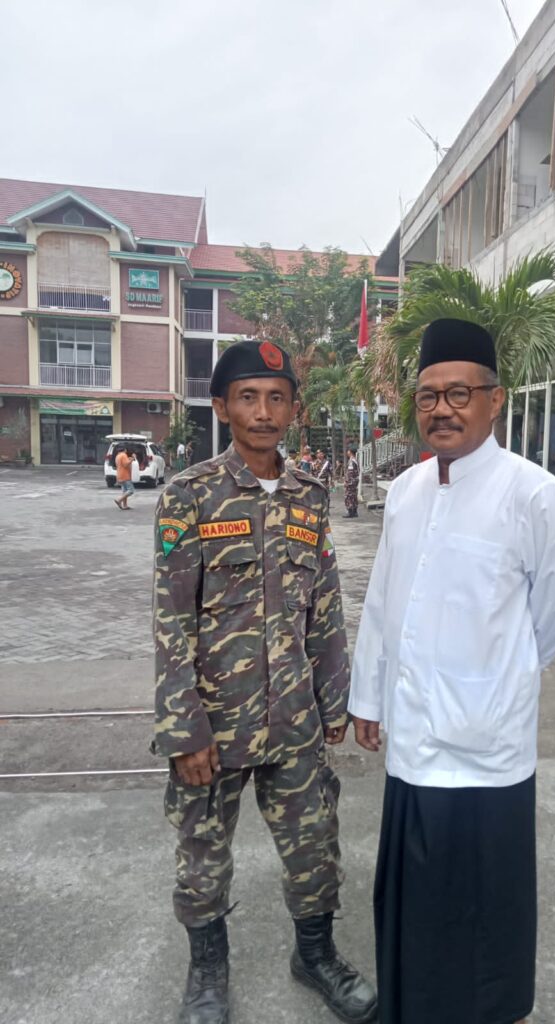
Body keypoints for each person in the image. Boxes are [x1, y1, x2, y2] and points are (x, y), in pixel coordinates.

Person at [348, 318, 555, 1024]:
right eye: (428, 395)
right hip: (413, 733)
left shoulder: (535, 495)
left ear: (495, 400)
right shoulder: (405, 491)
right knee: (415, 895)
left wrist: (501, 676)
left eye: (459, 393)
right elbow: (382, 601)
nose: (441, 409)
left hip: (488, 749)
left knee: (485, 904)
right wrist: (369, 697)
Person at [153, 339, 377, 1024]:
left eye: (276, 398)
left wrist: (335, 702)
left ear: (293, 411)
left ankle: (315, 955)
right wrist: (183, 729)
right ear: (222, 408)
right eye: (248, 397)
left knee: (315, 844)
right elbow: (170, 620)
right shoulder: (190, 495)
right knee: (202, 855)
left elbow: (326, 609)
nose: (263, 411)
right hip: (213, 724)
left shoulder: (311, 497)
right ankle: (207, 973)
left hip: (294, 719)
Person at [114, 444, 135, 510]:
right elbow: (126, 464)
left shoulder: (118, 456)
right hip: (125, 475)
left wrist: (129, 459)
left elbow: (123, 464)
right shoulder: (123, 455)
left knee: (125, 491)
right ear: (125, 450)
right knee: (130, 490)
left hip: (120, 475)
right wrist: (132, 459)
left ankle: (125, 505)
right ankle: (119, 500)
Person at [343, 447, 359, 519]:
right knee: (354, 495)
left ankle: (350, 511)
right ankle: (355, 511)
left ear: (350, 452)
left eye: (348, 451)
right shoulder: (355, 460)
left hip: (351, 482)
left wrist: (347, 482)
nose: (347, 452)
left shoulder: (351, 461)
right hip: (354, 481)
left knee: (349, 496)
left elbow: (350, 473)